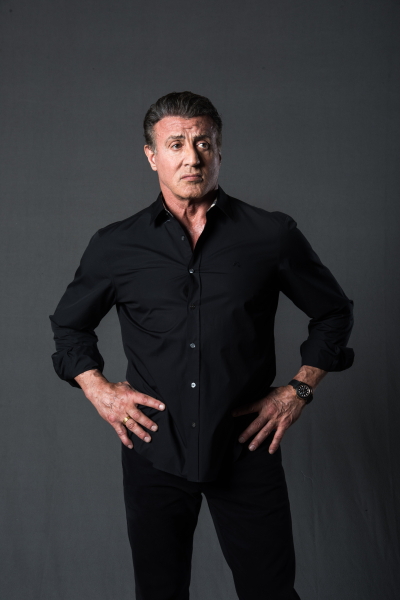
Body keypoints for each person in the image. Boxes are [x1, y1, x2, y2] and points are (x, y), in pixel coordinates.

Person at [49, 91, 355, 600]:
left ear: (219, 151)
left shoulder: (271, 234)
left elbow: (333, 312)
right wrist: (99, 390)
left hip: (245, 449)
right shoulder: (115, 245)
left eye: (203, 143)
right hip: (154, 454)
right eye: (176, 144)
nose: (192, 157)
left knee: (271, 593)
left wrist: (298, 391)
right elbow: (68, 328)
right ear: (152, 156)